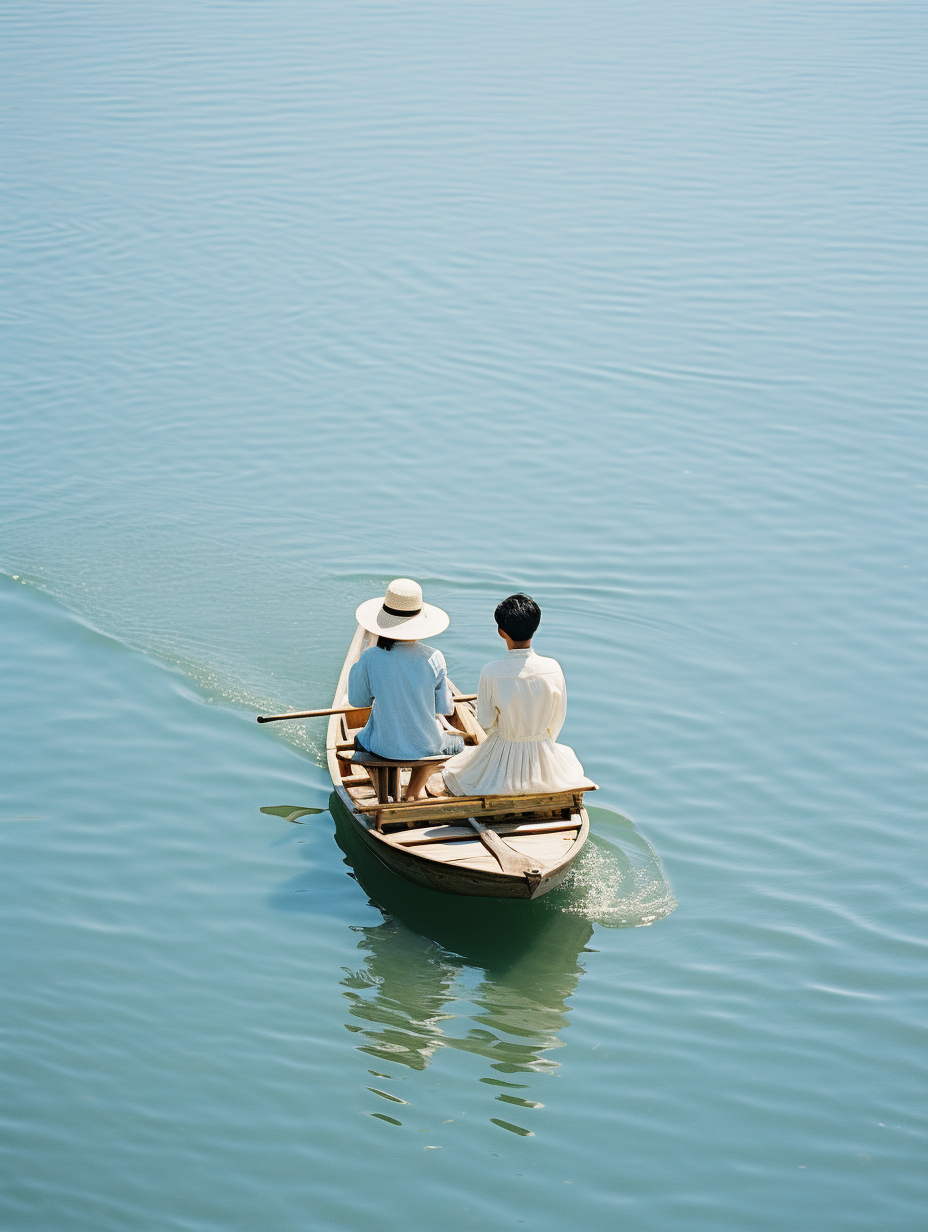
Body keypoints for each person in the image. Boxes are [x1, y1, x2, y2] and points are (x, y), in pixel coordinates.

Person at [441, 593, 594, 797]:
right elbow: (557, 719)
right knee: (566, 756)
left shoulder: (491, 671)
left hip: (504, 745)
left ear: (501, 632)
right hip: (542, 749)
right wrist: (539, 742)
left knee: (456, 773)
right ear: (535, 627)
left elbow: (485, 721)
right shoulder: (553, 668)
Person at [348, 578, 464, 800]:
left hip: (383, 747)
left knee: (360, 740)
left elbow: (357, 701)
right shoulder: (434, 657)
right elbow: (446, 710)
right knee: (455, 743)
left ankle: (383, 790)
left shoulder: (370, 657)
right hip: (426, 746)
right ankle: (413, 791)